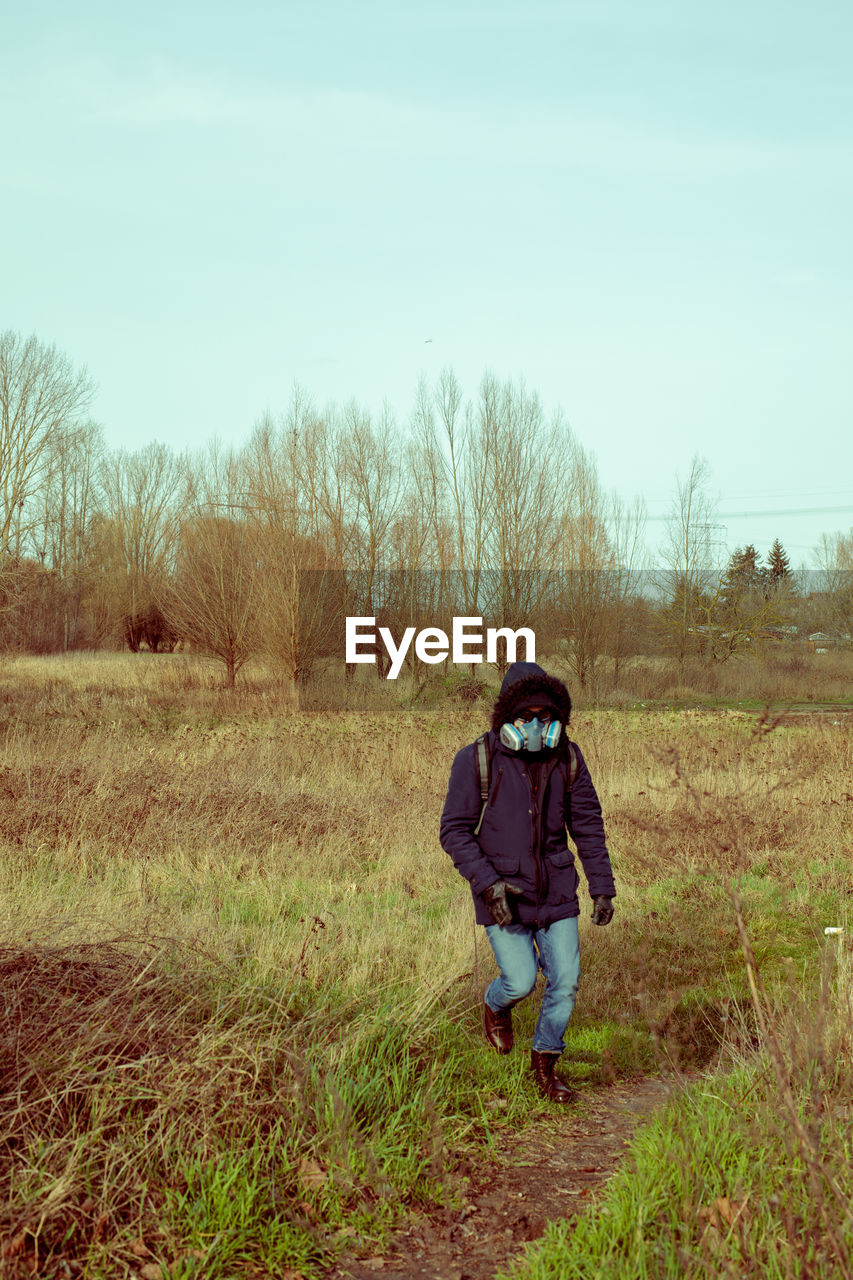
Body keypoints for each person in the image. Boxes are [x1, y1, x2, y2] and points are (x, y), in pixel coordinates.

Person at [439, 660, 616, 1103]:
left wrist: (602, 887)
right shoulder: (476, 760)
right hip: (503, 895)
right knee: (519, 981)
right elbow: (454, 830)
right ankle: (497, 1006)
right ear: (507, 719)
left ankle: (545, 1065)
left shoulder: (568, 759)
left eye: (547, 717)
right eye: (527, 718)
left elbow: (588, 826)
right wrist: (487, 883)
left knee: (567, 979)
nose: (538, 726)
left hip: (556, 891)